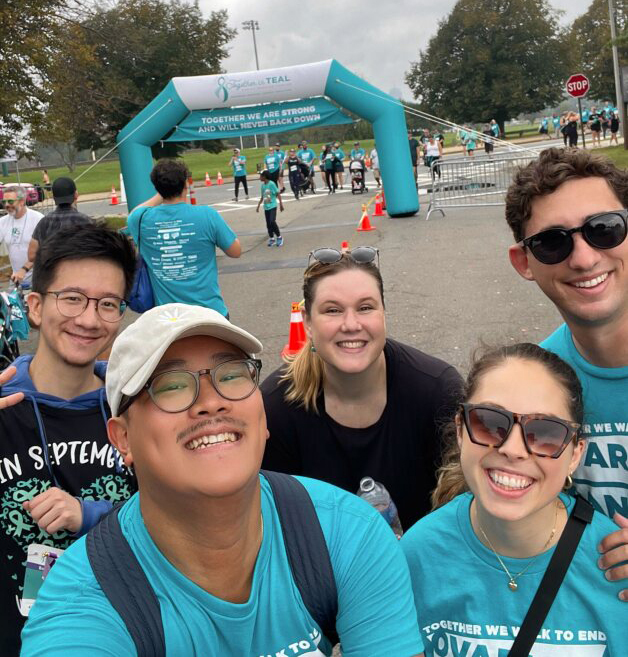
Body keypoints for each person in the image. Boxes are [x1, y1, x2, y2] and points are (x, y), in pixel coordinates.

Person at [20, 303, 425, 656]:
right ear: (123, 438)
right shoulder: (84, 602)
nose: (212, 401)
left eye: (231, 375)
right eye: (171, 385)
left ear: (262, 416)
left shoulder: (345, 531)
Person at [402, 343, 627, 654]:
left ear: (575, 454)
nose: (513, 449)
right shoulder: (417, 556)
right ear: (461, 431)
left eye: (546, 432)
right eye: (489, 422)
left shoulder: (617, 565)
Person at [0, 223, 138, 655]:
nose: (89, 319)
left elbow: (182, 521)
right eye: (72, 298)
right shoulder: (3, 406)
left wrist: (90, 514)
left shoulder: (137, 407)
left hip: (125, 634)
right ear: (35, 307)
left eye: (108, 304)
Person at [261, 248, 462, 530]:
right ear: (307, 321)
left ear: (384, 313)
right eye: (332, 310)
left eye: (365, 307)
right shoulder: (274, 408)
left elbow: (463, 509)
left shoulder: (437, 392)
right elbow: (273, 523)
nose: (351, 324)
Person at [506, 147, 628, 600]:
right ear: (524, 262)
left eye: (604, 229)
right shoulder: (530, 385)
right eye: (553, 242)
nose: (583, 258)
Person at [127, 158, 241, 317]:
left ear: (157, 187)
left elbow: (135, 212)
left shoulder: (139, 220)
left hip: (169, 317)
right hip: (210, 313)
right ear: (185, 184)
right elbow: (235, 251)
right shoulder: (207, 215)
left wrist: (162, 191)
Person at [28, 177, 92, 263]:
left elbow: (31, 255)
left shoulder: (44, 222)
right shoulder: (85, 221)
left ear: (54, 197)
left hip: (52, 268)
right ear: (76, 194)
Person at [0, 185, 43, 287]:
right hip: (15, 280)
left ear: (22, 201)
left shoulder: (38, 219)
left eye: (10, 201)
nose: (7, 205)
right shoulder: (2, 222)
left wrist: (24, 269)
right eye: (4, 202)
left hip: (39, 279)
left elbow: (45, 250)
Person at [256, 169, 284, 247]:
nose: (259, 177)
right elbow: (262, 196)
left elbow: (278, 193)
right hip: (266, 207)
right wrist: (258, 205)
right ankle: (272, 238)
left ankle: (279, 237)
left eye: (261, 176)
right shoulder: (263, 186)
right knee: (268, 224)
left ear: (264, 177)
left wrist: (281, 204)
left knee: (272, 221)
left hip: (273, 206)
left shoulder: (271, 184)